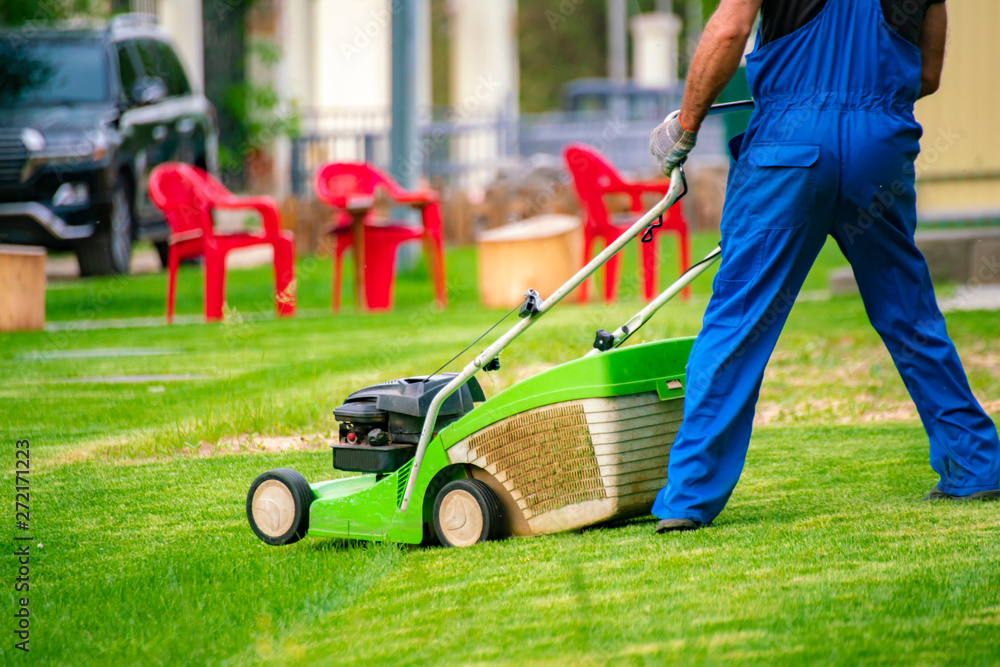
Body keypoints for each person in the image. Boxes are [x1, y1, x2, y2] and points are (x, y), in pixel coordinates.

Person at [648, 0, 1000, 533]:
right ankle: (975, 464)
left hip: (788, 148)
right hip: (877, 148)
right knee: (908, 313)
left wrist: (687, 124)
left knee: (741, 318)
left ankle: (687, 499)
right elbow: (927, 74)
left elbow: (727, 32)